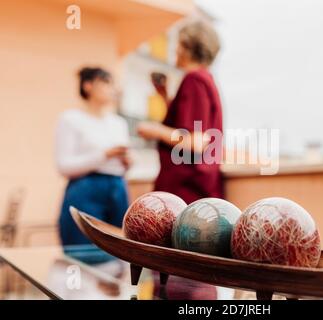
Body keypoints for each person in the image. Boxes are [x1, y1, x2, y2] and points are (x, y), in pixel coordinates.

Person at [138, 21, 224, 204]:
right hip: (195, 190)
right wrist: (165, 98)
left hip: (185, 191)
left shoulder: (194, 80)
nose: (174, 50)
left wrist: (154, 130)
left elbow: (196, 141)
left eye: (177, 44)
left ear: (187, 47)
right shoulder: (205, 80)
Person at [56, 67, 131, 245]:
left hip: (118, 188)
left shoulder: (119, 123)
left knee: (120, 248)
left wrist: (128, 161)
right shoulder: (71, 119)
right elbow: (63, 166)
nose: (111, 88)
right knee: (82, 249)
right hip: (85, 188)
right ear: (88, 85)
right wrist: (104, 155)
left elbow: (123, 165)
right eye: (105, 83)